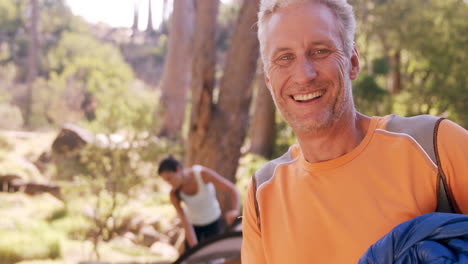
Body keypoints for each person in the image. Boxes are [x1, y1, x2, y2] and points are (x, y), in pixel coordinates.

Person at [241, 0, 468, 263]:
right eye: (284, 58)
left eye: (320, 51)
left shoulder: (433, 146)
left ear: (352, 61)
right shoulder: (262, 193)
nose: (304, 75)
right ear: (269, 80)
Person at [158, 156, 240, 249]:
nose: (169, 183)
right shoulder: (174, 194)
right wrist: (194, 248)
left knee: (215, 259)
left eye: (170, 178)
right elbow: (186, 223)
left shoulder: (202, 174)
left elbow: (233, 190)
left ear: (179, 169)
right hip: (194, 226)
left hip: (213, 223)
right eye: (166, 181)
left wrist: (235, 210)